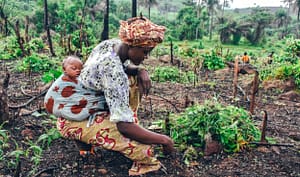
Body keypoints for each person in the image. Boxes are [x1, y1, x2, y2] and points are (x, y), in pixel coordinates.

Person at [45, 16, 174, 176]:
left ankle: (88, 140)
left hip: (79, 106)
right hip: (71, 119)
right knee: (145, 150)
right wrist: (164, 140)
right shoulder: (113, 73)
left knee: (132, 77)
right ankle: (142, 165)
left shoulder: (110, 45)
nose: (146, 57)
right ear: (131, 45)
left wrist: (140, 70)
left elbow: (125, 66)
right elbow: (124, 126)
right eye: (145, 52)